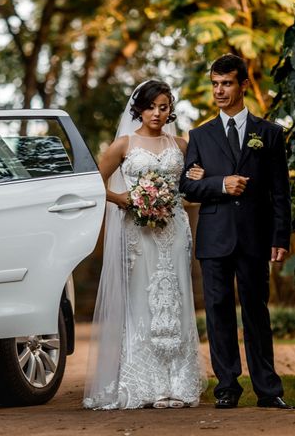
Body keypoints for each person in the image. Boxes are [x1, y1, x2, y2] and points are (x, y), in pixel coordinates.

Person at [179, 54, 293, 410]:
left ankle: (268, 389)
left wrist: (281, 237)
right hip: (214, 237)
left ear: (243, 84)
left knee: (256, 312)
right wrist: (221, 184)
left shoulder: (270, 134)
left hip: (255, 237)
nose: (219, 91)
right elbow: (186, 186)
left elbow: (280, 191)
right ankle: (227, 387)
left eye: (226, 83)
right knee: (218, 312)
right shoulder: (199, 135)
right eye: (215, 84)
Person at [83, 80, 206, 410]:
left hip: (175, 230)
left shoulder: (180, 145)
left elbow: (192, 186)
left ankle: (179, 383)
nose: (156, 112)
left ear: (170, 110)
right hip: (138, 233)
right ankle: (143, 383)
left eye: (163, 107)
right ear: (138, 109)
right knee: (142, 299)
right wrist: (122, 199)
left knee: (175, 298)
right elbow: (95, 184)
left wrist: (193, 182)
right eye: (151, 106)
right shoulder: (123, 144)